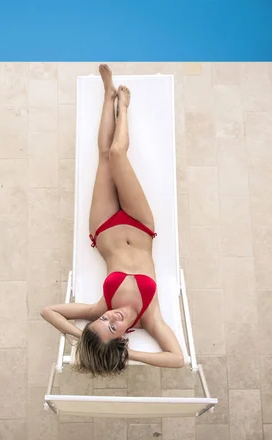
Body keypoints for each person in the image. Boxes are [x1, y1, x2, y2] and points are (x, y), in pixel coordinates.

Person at [40, 64, 184, 377]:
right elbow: (177, 359)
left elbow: (47, 311)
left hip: (104, 226)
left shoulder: (99, 307)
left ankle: (108, 96)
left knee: (105, 154)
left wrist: (82, 335)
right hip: (139, 224)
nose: (111, 317)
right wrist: (131, 355)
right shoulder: (150, 318)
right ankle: (125, 109)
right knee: (119, 154)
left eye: (103, 321)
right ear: (121, 340)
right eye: (114, 326)